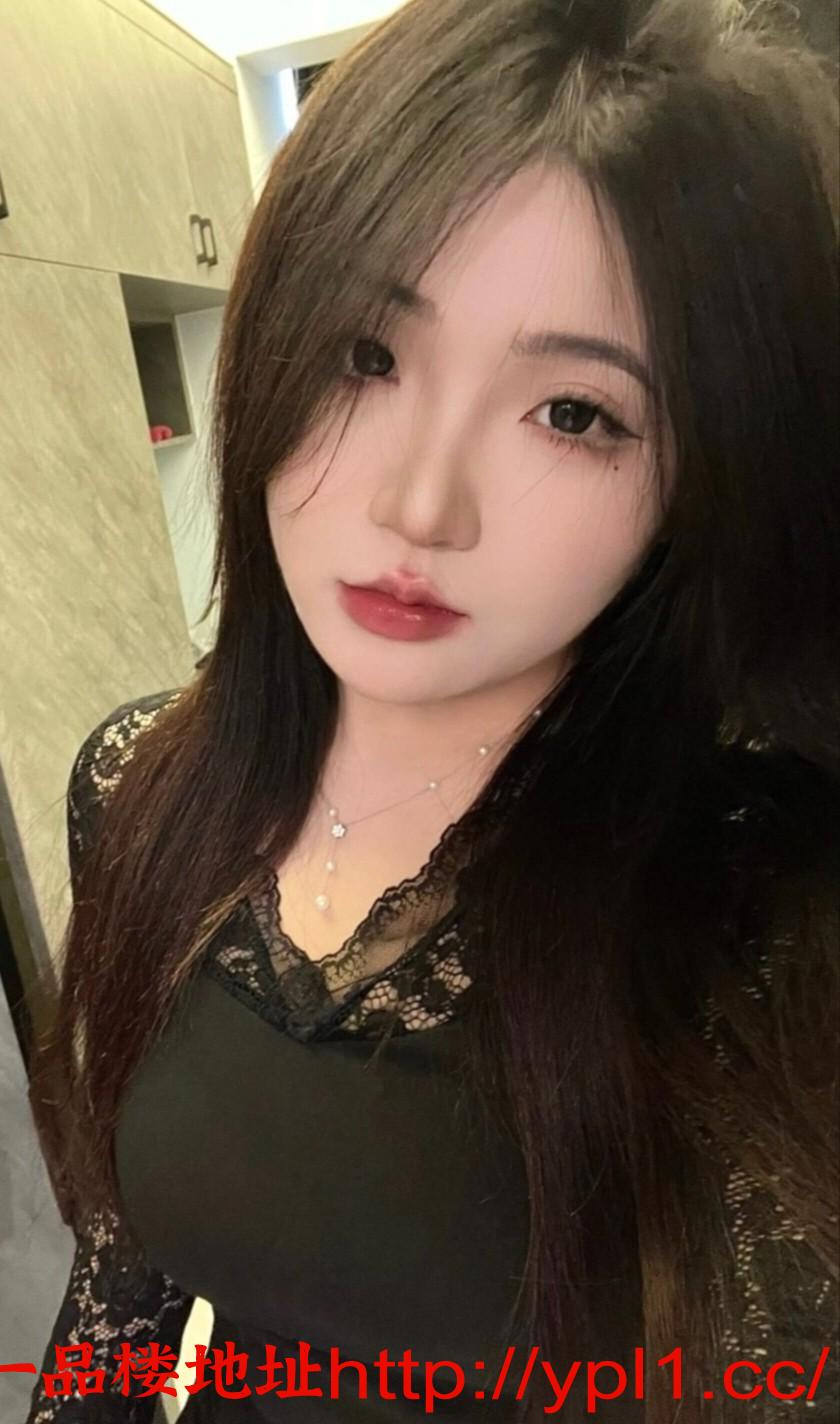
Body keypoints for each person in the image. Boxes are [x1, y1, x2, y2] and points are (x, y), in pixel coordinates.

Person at [24, 0, 839, 1420]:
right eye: (365, 354)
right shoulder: (143, 784)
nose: (418, 504)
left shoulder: (760, 909)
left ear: (703, 477)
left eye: (574, 413)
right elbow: (126, 1278)